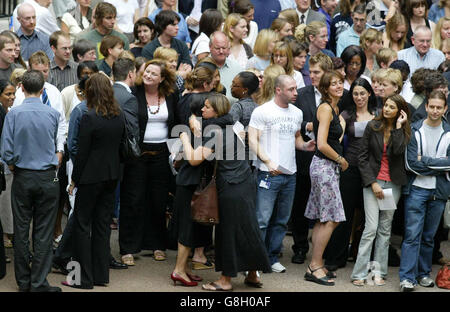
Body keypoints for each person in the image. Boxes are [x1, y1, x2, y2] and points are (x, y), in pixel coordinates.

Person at [179, 92, 271, 291]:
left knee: (228, 233)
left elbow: (194, 159)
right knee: (248, 229)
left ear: (217, 111)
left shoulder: (215, 131)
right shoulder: (228, 125)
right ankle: (253, 275)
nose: (202, 109)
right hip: (244, 181)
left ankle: (225, 281)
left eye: (207, 107)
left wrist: (184, 138)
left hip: (231, 186)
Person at [0, 70, 62, 292]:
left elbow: (6, 150)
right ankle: (38, 282)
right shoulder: (52, 114)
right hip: (46, 176)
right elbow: (54, 143)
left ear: (21, 88)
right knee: (44, 232)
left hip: (23, 175)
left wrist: (14, 163)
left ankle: (23, 281)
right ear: (43, 90)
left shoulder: (13, 114)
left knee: (21, 229)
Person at [62, 73, 125, 289]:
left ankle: (82, 278)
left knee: (82, 225)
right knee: (102, 226)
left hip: (90, 177)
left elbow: (82, 154)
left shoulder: (89, 116)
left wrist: (74, 181)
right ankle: (100, 275)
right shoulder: (118, 115)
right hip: (111, 176)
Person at [249, 75, 315, 273]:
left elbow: (295, 138)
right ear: (278, 90)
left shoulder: (296, 113)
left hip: (290, 174)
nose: (296, 93)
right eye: (291, 89)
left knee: (281, 220)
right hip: (267, 174)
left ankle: (271, 257)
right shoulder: (263, 111)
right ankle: (253, 262)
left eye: (296, 89)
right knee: (262, 219)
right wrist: (268, 162)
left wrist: (305, 145)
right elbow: (253, 140)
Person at [119, 59, 180, 264]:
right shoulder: (132, 94)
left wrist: (176, 152)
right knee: (133, 199)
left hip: (162, 153)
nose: (148, 75)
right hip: (137, 153)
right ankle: (128, 247)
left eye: (154, 73)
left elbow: (177, 123)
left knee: (158, 200)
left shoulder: (171, 96)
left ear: (162, 78)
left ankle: (157, 244)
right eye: (146, 72)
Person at [351, 94, 410, 286]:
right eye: (386, 105)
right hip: (373, 183)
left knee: (385, 229)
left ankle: (378, 273)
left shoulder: (404, 131)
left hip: (392, 185)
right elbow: (362, 157)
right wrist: (372, 183)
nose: (386, 109)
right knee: (370, 228)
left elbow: (398, 151)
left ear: (400, 111)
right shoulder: (373, 126)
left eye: (392, 107)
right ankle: (359, 274)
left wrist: (399, 128)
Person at [399, 90, 450, 292]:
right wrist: (440, 164)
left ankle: (423, 274)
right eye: (432, 106)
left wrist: (426, 161)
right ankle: (407, 278)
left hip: (439, 191)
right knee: (412, 235)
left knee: (429, 237)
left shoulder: (449, 131)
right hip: (416, 190)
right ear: (426, 106)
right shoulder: (414, 129)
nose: (435, 110)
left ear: (445, 108)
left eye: (440, 107)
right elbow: (411, 164)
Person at [323, 77, 376, 271]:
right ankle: (335, 257)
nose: (359, 97)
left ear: (369, 93)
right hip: (350, 167)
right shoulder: (346, 114)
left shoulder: (377, 115)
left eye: (363, 93)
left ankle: (364, 257)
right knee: (343, 214)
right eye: (355, 93)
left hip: (372, 170)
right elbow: (337, 135)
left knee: (369, 218)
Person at [303, 70, 346, 286]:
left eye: (340, 82)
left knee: (323, 217)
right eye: (333, 83)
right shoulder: (326, 108)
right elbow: (321, 144)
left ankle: (316, 264)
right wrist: (341, 159)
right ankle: (315, 265)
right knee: (332, 218)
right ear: (325, 88)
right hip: (325, 166)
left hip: (325, 167)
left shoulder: (333, 108)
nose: (338, 86)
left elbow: (333, 137)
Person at [0, 80, 15, 258]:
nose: (12, 97)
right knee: (4, 202)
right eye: (7, 94)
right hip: (3, 165)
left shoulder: (7, 112)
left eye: (13, 94)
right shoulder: (1, 113)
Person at [209, 31, 243, 103]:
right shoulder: (202, 67)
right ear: (210, 47)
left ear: (229, 48)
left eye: (224, 48)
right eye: (217, 48)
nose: (221, 51)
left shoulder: (238, 69)